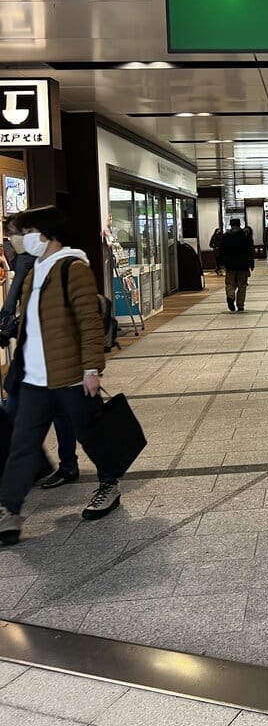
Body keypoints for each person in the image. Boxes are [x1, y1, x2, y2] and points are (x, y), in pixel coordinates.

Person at [0, 206, 122, 547]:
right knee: (22, 444)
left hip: (70, 376)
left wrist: (90, 369)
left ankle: (109, 485)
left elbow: (88, 321)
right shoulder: (32, 269)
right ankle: (10, 510)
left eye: (21, 232)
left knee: (91, 434)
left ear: (42, 234)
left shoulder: (73, 267)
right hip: (34, 378)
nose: (16, 239)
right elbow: (33, 321)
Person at [0, 217, 73, 488]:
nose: (14, 238)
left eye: (20, 232)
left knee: (58, 412)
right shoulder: (27, 259)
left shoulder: (37, 262)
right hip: (31, 350)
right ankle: (44, 465)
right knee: (25, 409)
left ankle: (61, 466)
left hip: (48, 351)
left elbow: (15, 301)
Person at [219, 218, 255, 312]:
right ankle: (240, 305)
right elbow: (249, 250)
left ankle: (230, 297)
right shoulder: (245, 235)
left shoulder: (225, 235)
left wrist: (221, 264)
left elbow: (221, 251)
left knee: (230, 283)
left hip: (230, 265)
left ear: (230, 225)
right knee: (242, 285)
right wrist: (251, 263)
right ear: (240, 224)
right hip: (243, 265)